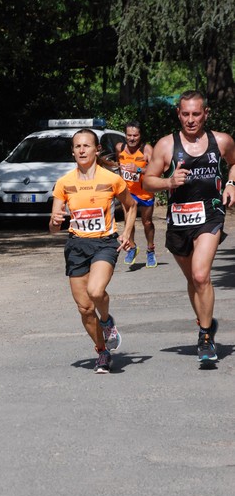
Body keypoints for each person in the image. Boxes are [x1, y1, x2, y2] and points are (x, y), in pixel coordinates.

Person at [143, 89, 235, 364]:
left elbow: (234, 164)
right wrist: (168, 182)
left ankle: (205, 337)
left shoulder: (222, 141)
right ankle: (205, 320)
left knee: (200, 276)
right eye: (186, 114)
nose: (191, 120)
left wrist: (231, 184)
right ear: (178, 114)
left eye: (196, 114)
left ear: (206, 113)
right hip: (179, 219)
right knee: (192, 281)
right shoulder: (166, 146)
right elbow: (148, 180)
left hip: (210, 213)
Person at [49, 128, 137, 374]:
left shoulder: (111, 179)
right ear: (73, 152)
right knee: (85, 309)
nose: (82, 150)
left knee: (96, 291)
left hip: (104, 243)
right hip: (77, 245)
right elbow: (53, 227)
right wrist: (55, 222)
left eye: (86, 146)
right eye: (77, 146)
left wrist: (127, 233)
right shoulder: (64, 183)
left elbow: (131, 206)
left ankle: (107, 322)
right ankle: (102, 352)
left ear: (96, 150)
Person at [115, 121, 156, 267]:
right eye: (129, 135)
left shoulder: (147, 149)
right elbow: (119, 166)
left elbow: (155, 170)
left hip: (145, 192)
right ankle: (132, 247)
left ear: (140, 136)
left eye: (135, 135)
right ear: (125, 135)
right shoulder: (120, 148)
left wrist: (138, 170)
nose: (132, 138)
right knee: (129, 221)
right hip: (129, 192)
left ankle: (150, 249)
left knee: (147, 223)